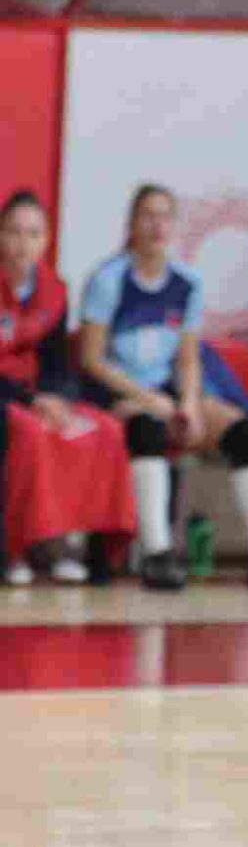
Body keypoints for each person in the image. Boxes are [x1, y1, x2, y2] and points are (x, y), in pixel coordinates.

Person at [76, 183, 248, 592]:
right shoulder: (109, 279)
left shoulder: (187, 282)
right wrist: (146, 399)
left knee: (246, 434)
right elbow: (91, 359)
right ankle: (157, 553)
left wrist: (191, 405)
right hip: (116, 393)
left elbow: (188, 358)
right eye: (148, 215)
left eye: (165, 216)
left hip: (167, 391)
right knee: (146, 428)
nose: (157, 225)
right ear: (132, 224)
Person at [0, 189, 130, 587]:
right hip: (8, 395)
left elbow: (57, 358)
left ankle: (81, 549)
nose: (23, 244)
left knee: (103, 429)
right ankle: (16, 548)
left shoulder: (55, 290)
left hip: (37, 393)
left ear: (46, 240)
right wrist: (33, 400)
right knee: (30, 432)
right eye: (14, 232)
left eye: (33, 234)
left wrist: (59, 399)